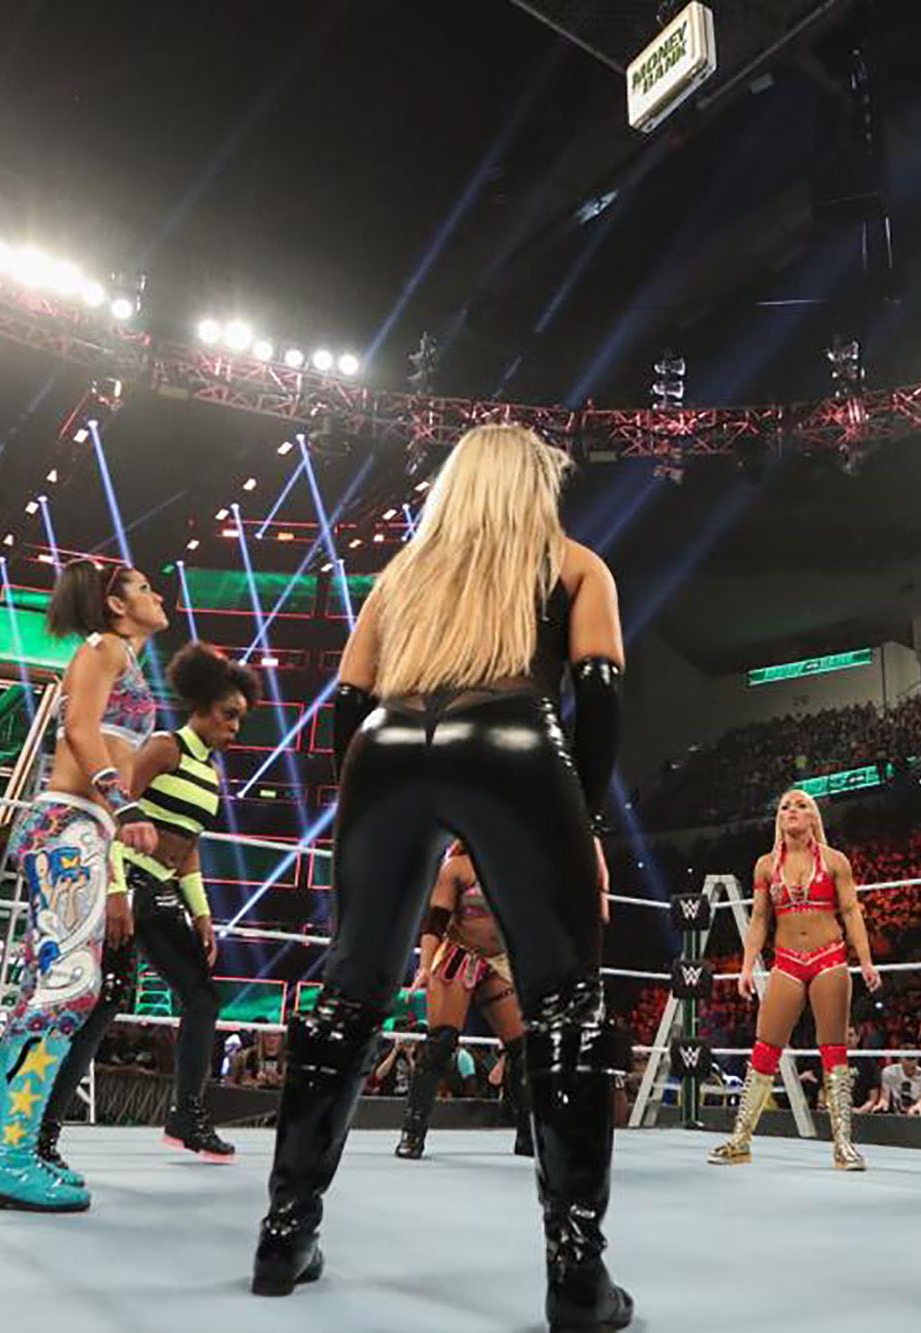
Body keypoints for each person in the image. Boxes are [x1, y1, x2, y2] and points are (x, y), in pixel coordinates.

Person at [251, 424, 632, 1332]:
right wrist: (579, 823)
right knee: (565, 1003)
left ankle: (282, 1233)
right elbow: (600, 697)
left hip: (387, 745)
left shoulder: (403, 576)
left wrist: (365, 807)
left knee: (349, 994)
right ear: (535, 486)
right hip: (510, 736)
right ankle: (576, 1271)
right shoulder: (575, 564)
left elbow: (349, 703)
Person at [0, 560, 165, 1212]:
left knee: (69, 989)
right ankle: (8, 1158)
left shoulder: (125, 658)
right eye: (143, 588)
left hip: (84, 832)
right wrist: (124, 806)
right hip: (68, 826)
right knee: (62, 989)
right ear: (116, 604)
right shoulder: (103, 647)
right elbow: (79, 729)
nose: (157, 595)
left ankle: (21, 1151)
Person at [34, 643, 258, 1181]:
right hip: (127, 881)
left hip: (161, 891)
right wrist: (114, 888)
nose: (234, 727)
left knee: (202, 997)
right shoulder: (162, 748)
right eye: (228, 714)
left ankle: (186, 1115)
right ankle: (43, 1134)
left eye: (240, 719)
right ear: (201, 706)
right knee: (105, 1001)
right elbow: (115, 811)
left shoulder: (209, 772)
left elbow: (189, 845)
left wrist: (203, 914)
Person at [706, 787, 883, 1170]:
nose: (792, 810)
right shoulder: (765, 865)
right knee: (764, 1047)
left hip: (829, 956)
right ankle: (740, 1140)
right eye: (786, 806)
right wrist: (746, 966)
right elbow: (759, 919)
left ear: (814, 816)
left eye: (801, 805)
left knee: (833, 1048)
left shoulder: (834, 861)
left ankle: (843, 1145)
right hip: (786, 960)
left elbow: (851, 911)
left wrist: (867, 961)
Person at [396, 840, 532, 1160]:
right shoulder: (457, 868)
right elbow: (435, 921)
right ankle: (412, 1132)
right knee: (441, 1041)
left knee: (523, 1049)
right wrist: (425, 967)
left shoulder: (519, 868)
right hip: (460, 955)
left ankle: (528, 1133)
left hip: (499, 961)